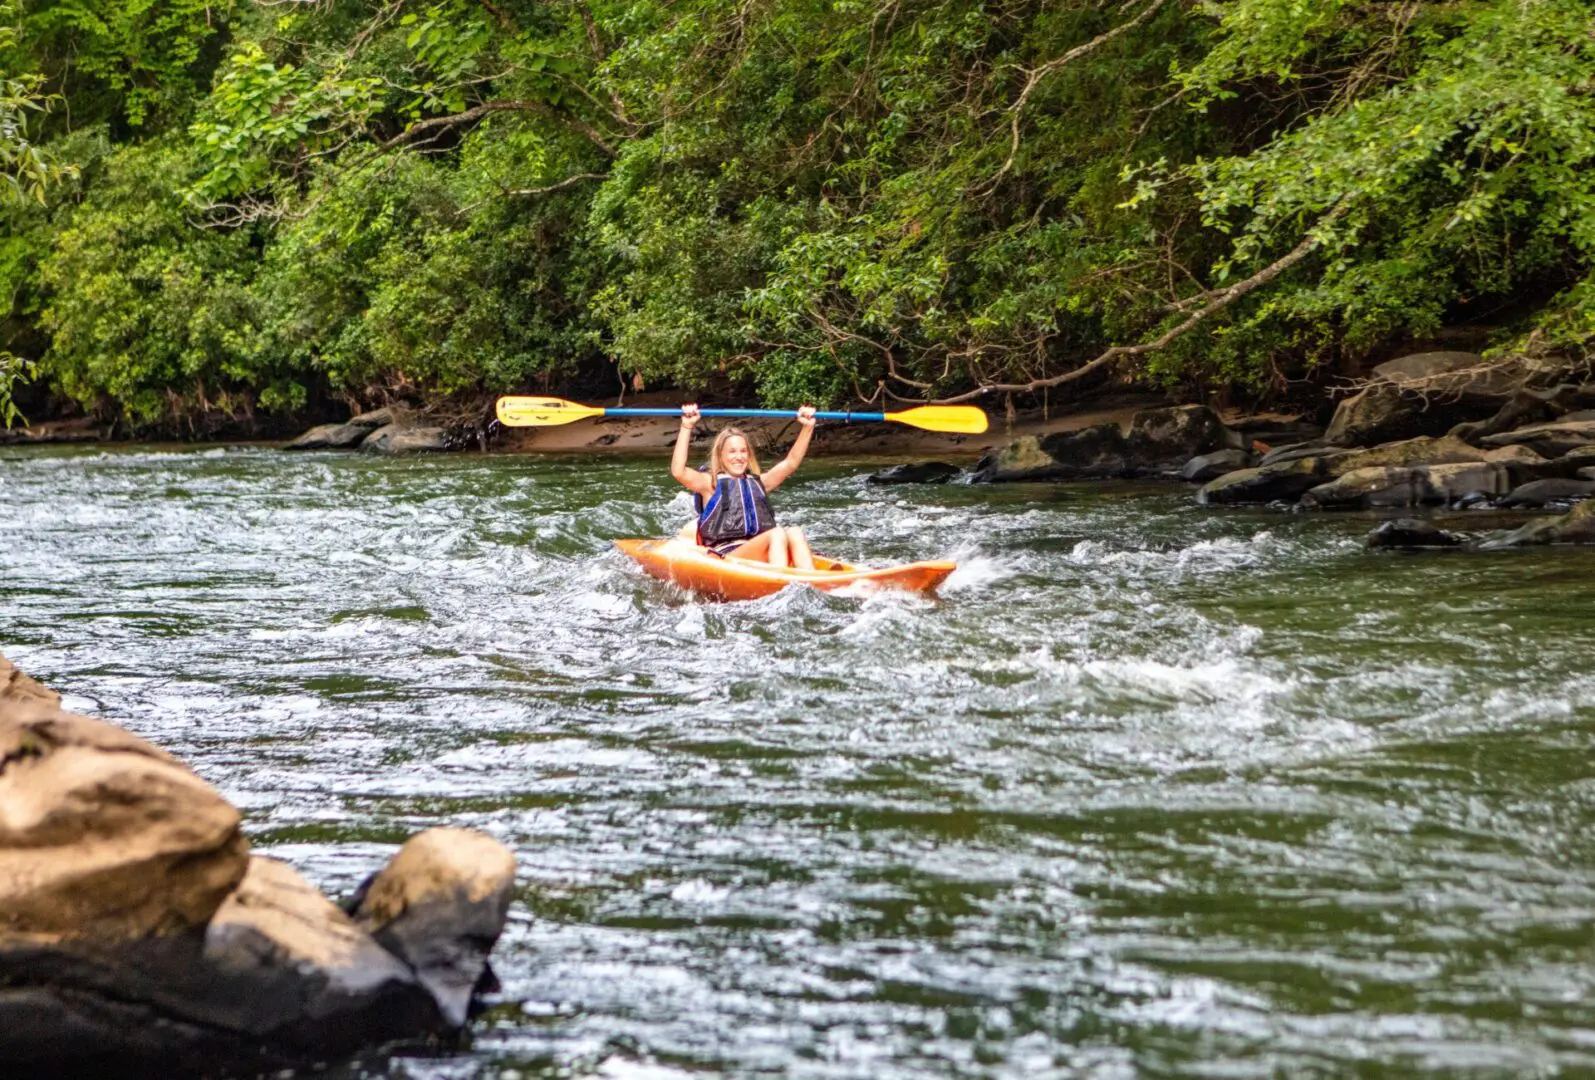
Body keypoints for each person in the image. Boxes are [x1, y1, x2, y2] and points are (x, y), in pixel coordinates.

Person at [670, 403, 817, 568]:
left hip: (759, 550)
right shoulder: (709, 484)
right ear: (720, 455)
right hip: (726, 556)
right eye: (732, 451)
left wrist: (807, 427)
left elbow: (790, 463)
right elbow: (678, 471)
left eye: (743, 451)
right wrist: (686, 426)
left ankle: (812, 581)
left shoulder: (759, 483)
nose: (739, 457)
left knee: (795, 532)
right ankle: (779, 583)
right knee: (776, 534)